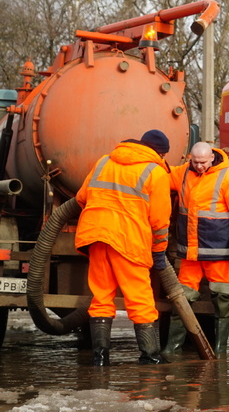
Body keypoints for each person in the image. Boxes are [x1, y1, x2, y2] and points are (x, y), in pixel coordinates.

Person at [75, 129, 172, 366]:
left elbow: (80, 197)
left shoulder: (104, 161)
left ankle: (100, 357)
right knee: (140, 298)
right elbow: (160, 221)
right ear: (161, 153)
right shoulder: (156, 172)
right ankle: (149, 355)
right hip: (129, 240)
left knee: (101, 296)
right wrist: (159, 250)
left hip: (96, 236)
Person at [162, 141, 229, 357]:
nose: (199, 166)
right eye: (195, 162)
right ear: (190, 159)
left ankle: (220, 350)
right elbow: (159, 178)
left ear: (212, 157)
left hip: (217, 251)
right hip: (191, 252)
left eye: (202, 162)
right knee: (182, 298)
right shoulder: (183, 172)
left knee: (222, 299)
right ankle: (172, 348)